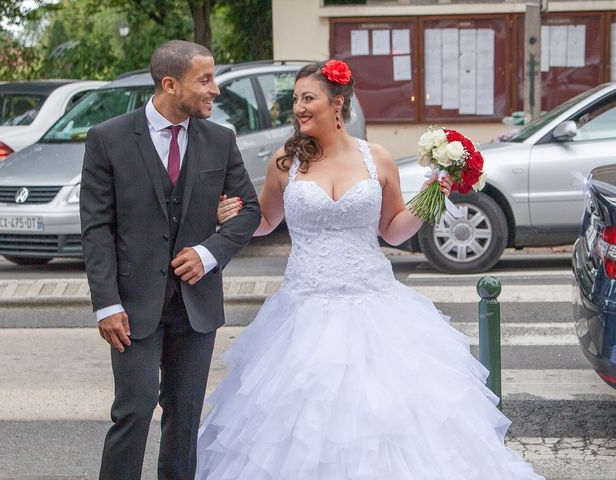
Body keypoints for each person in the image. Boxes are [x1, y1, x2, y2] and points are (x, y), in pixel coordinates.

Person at [198, 60, 545, 479]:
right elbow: (266, 222)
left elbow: (394, 231)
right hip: (303, 308)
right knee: (300, 421)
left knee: (389, 420)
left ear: (337, 103)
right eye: (295, 100)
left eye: (308, 98)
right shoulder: (285, 162)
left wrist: (432, 195)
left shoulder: (375, 158)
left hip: (375, 305)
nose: (299, 108)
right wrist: (231, 215)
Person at [80, 40, 260, 480]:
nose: (215, 89)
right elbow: (96, 228)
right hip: (132, 305)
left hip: (195, 306)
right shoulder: (109, 139)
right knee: (134, 411)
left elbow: (249, 211)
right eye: (205, 80)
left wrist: (208, 252)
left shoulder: (220, 140)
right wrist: (107, 303)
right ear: (169, 83)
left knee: (184, 418)